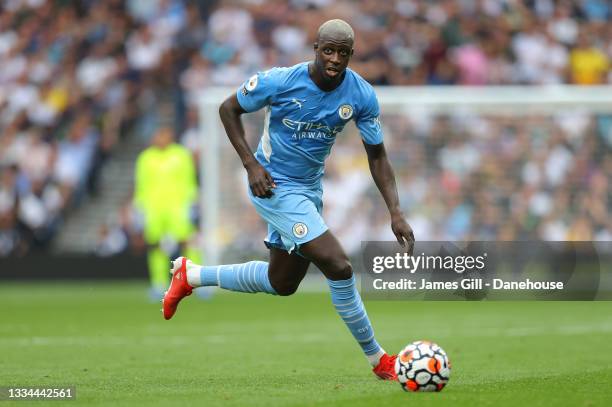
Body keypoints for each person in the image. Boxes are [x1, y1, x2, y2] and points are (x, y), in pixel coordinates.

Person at [162, 19, 414, 380]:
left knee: (282, 283)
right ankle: (379, 359)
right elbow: (227, 109)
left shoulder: (360, 95)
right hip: (273, 186)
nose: (335, 59)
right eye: (328, 50)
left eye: (343, 53)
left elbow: (377, 156)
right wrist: (251, 165)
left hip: (309, 190)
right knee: (339, 266)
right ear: (315, 48)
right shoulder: (279, 81)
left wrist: (396, 211)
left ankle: (192, 275)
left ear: (351, 55)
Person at [134, 127, 201, 298]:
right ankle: (159, 283)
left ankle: (197, 280)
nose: (160, 138)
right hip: (154, 209)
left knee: (188, 243)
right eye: (158, 135)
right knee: (155, 246)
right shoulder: (145, 157)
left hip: (178, 208)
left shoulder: (181, 154)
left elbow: (189, 180)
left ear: (170, 136)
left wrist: (191, 203)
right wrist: (140, 207)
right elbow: (141, 185)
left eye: (164, 134)